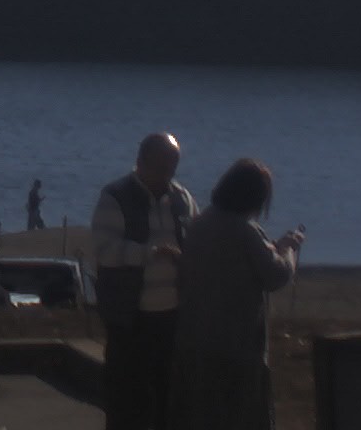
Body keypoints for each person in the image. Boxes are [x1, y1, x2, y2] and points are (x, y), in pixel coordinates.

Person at [169, 159, 303, 430]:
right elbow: (275, 275)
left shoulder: (200, 223)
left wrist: (271, 248)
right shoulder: (245, 231)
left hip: (195, 341)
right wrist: (288, 249)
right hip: (236, 348)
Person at [92, 132, 196, 430]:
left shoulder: (182, 199)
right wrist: (149, 253)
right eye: (160, 167)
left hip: (172, 316)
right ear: (140, 162)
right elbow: (104, 250)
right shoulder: (115, 196)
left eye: (172, 167)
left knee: (168, 397)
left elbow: (195, 242)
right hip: (130, 317)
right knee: (126, 399)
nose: (166, 175)